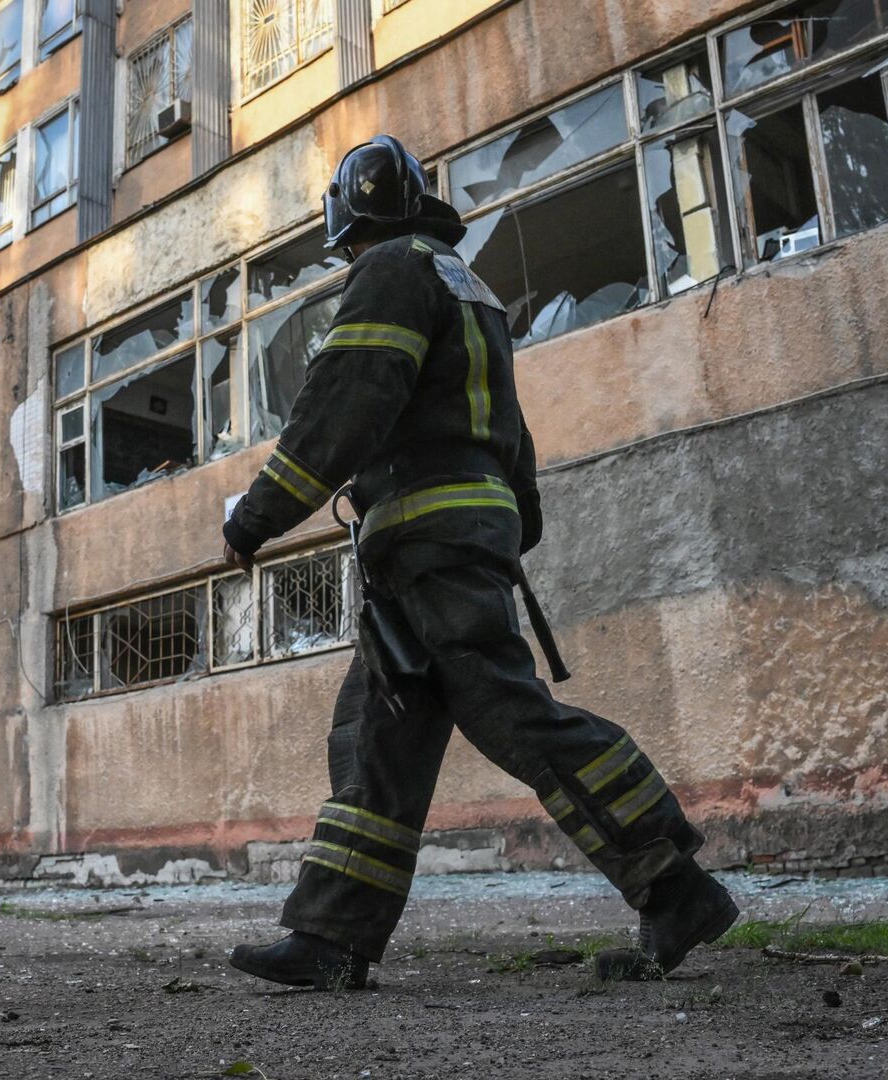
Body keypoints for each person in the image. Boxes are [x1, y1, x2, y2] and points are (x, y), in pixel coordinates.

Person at [221, 135, 739, 989]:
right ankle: (330, 937)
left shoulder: (391, 268)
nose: (350, 257)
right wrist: (506, 525)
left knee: (511, 714)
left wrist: (256, 516)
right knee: (378, 734)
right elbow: (508, 426)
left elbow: (346, 400)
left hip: (429, 536)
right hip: (451, 535)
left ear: (352, 227)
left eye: (346, 244)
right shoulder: (468, 284)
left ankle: (675, 882)